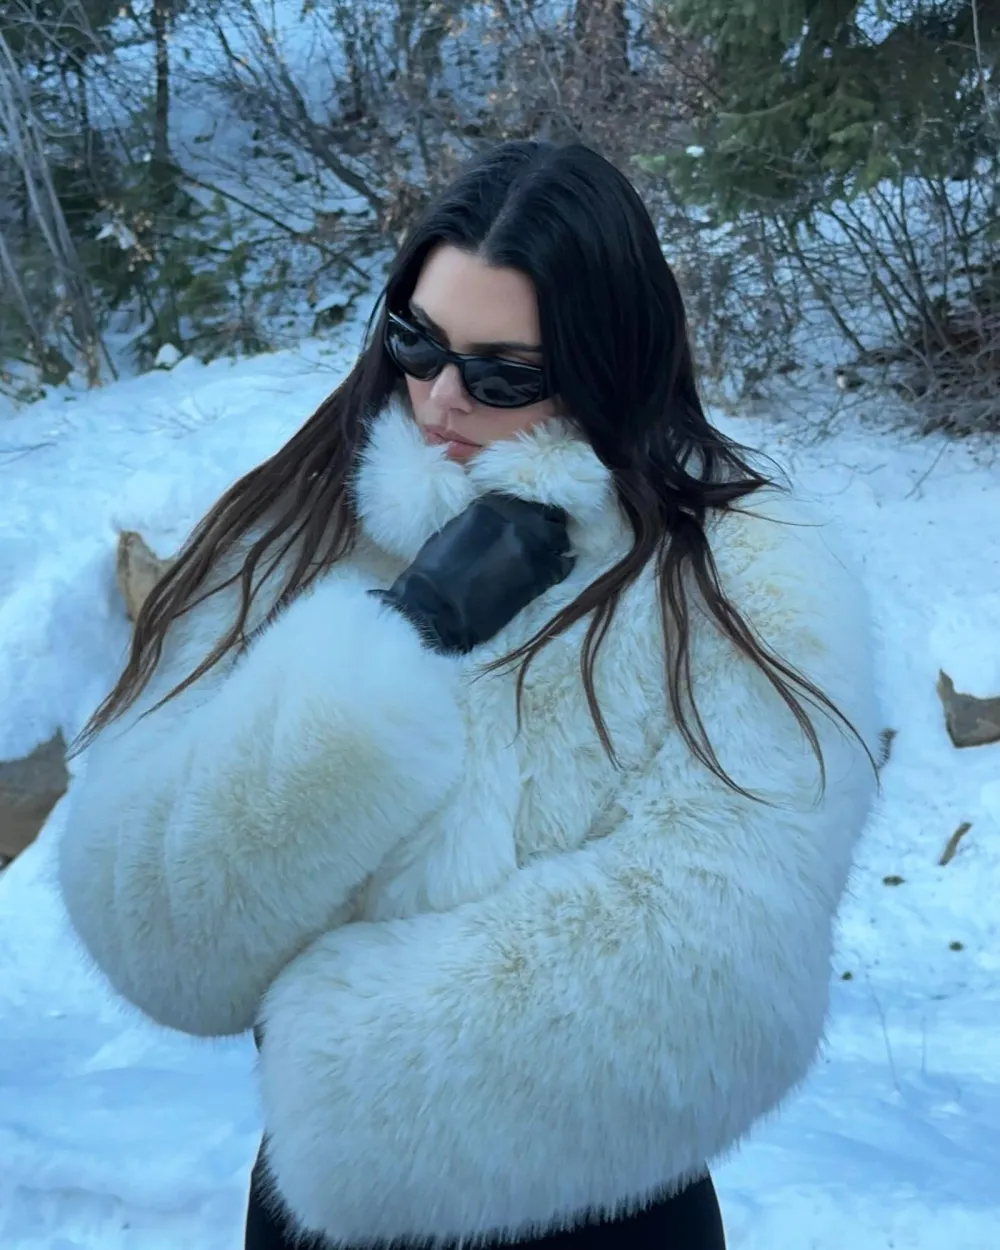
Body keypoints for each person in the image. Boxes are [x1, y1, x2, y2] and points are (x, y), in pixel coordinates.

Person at [58, 140, 880, 1250]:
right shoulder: (293, 535)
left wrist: (351, 1072)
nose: (440, 399)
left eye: (503, 373)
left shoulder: (743, 575)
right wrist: (400, 642)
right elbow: (154, 923)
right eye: (417, 343)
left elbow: (726, 959)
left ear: (606, 363)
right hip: (310, 1222)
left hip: (604, 1218)